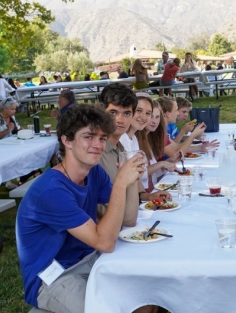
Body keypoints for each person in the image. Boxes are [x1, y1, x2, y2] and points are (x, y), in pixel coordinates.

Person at [16, 104, 156, 313]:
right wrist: (120, 183)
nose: (98, 145)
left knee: (148, 299)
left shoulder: (94, 172)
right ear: (67, 140)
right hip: (53, 277)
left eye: (101, 138)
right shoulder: (51, 190)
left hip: (90, 259)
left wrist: (130, 182)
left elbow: (128, 220)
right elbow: (105, 242)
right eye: (89, 137)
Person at [99, 83, 171, 206]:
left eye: (148, 113)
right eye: (139, 111)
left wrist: (146, 195)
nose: (119, 119)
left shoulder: (129, 141)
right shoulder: (105, 146)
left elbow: (133, 178)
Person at [136, 100, 177, 191]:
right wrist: (161, 164)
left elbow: (152, 175)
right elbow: (139, 173)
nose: (154, 121)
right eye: (151, 116)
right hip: (142, 195)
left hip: (152, 191)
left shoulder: (148, 138)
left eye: (157, 117)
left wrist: (166, 165)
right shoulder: (136, 140)